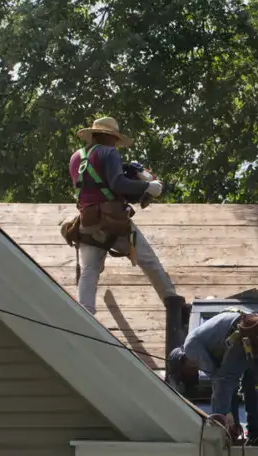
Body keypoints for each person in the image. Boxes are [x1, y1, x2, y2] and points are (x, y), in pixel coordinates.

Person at [67, 116, 180, 316]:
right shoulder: (109, 153)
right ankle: (174, 307)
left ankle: (84, 317)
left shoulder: (76, 157)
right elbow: (117, 184)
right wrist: (147, 186)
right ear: (111, 137)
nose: (117, 145)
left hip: (88, 221)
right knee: (149, 261)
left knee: (89, 271)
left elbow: (92, 187)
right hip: (114, 220)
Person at [168, 311, 258, 446]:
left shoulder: (191, 347)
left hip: (245, 338)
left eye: (185, 373)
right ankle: (257, 432)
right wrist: (234, 420)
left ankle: (220, 433)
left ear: (182, 363)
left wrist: (227, 418)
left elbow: (220, 380)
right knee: (252, 385)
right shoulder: (209, 343)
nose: (193, 373)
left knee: (224, 383)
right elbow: (229, 381)